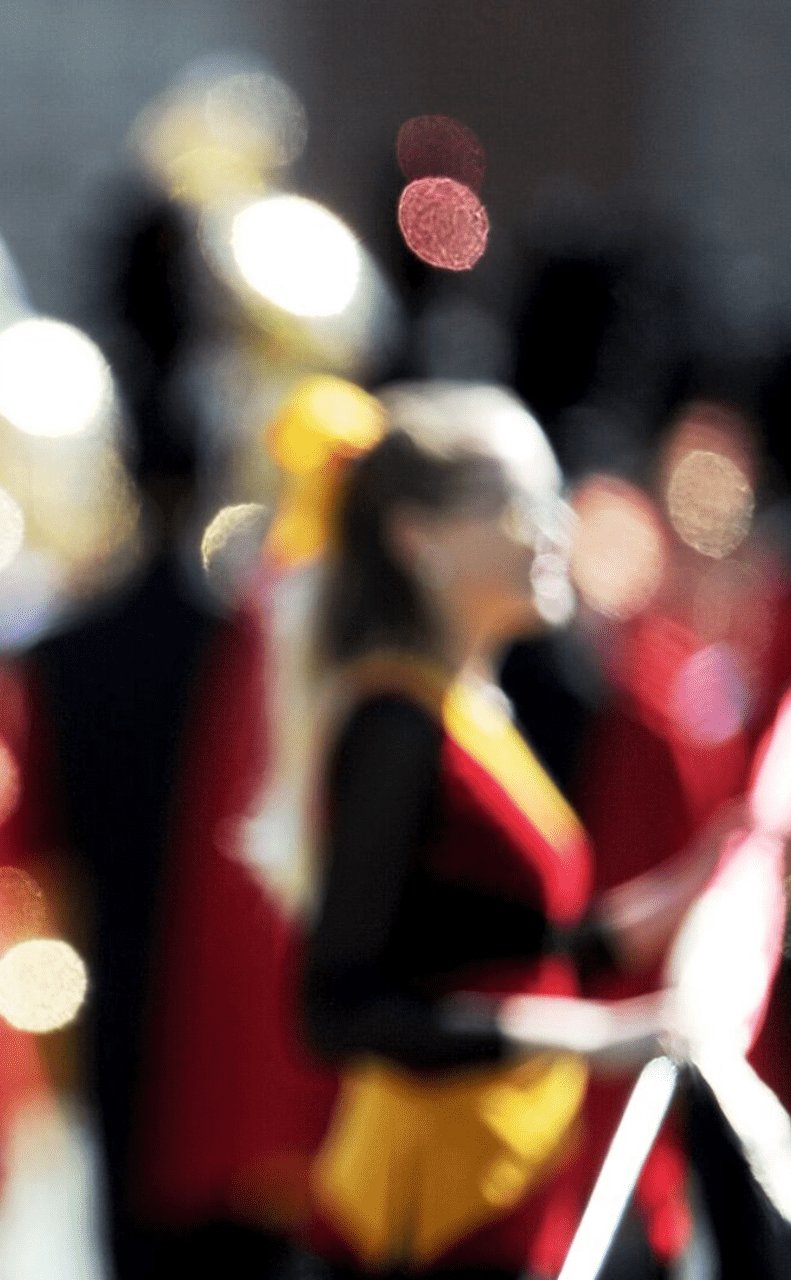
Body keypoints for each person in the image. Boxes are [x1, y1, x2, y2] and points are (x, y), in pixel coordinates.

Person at [297, 384, 726, 1278]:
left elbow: (489, 943)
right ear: (418, 539)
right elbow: (340, 1007)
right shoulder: (397, 724)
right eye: (519, 503)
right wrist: (589, 1036)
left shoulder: (472, 708)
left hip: (507, 1187)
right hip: (429, 1220)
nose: (557, 527)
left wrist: (694, 888)